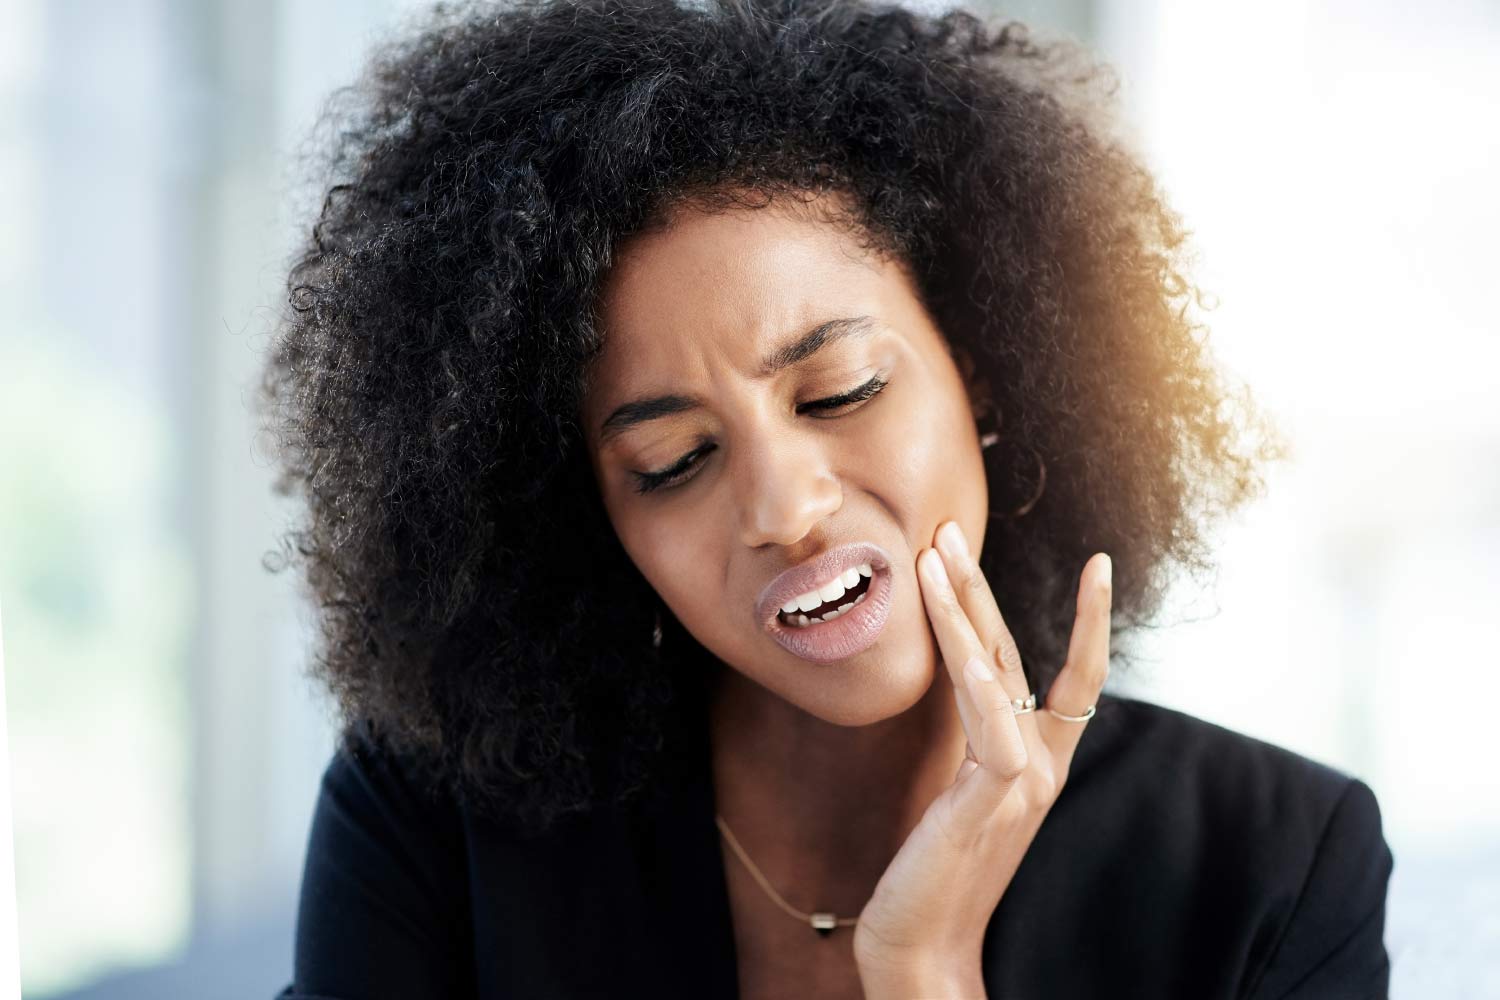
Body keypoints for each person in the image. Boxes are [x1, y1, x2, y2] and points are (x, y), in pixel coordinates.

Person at [260, 0, 1392, 996]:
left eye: (840, 389)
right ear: (594, 518)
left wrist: (923, 974)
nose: (785, 508)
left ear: (984, 366)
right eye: (674, 463)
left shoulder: (1275, 866)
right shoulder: (437, 819)